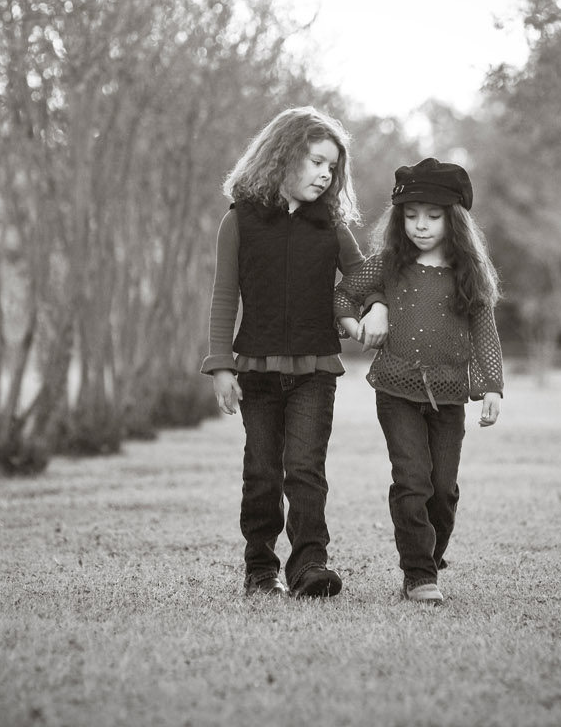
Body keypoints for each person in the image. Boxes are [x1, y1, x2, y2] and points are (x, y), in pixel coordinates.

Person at [201, 106, 387, 598]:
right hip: (256, 371)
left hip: (315, 371)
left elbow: (365, 278)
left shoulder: (331, 227)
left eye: (333, 167)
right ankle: (260, 568)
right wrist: (221, 365)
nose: (327, 174)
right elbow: (224, 296)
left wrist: (375, 308)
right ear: (283, 156)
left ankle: (309, 566)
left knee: (305, 470)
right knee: (262, 471)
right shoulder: (239, 222)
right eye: (317, 162)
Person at [336, 157, 503, 605]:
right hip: (396, 389)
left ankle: (429, 555)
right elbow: (343, 294)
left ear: (455, 220)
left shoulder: (469, 273)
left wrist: (491, 386)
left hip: (449, 396)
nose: (420, 226)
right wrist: (358, 327)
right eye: (410, 216)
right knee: (412, 481)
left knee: (443, 490)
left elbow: (485, 332)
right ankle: (419, 572)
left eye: (432, 216)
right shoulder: (389, 264)